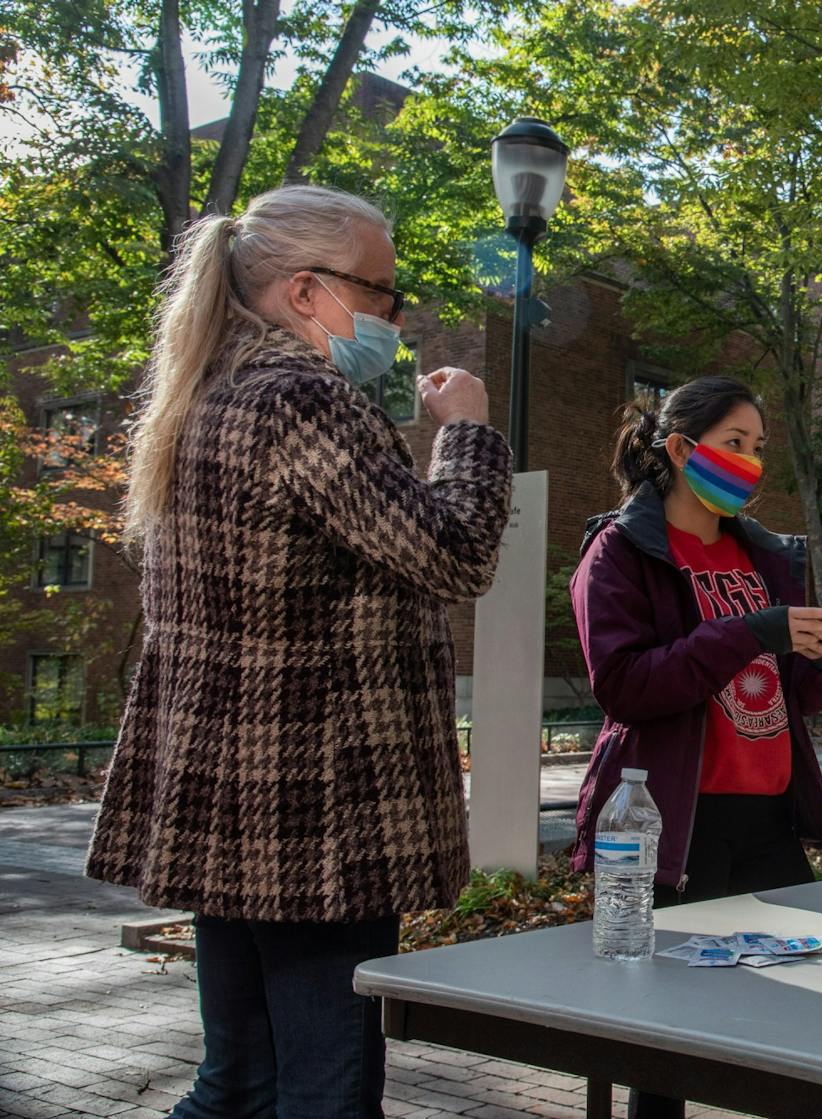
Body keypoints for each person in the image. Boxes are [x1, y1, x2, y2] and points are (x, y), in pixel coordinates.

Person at [87, 184, 513, 1117]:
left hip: (225, 800)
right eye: (382, 293)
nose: (396, 318)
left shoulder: (211, 396)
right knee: (328, 1091)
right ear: (307, 291)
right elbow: (455, 551)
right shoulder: (301, 400)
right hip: (319, 808)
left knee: (235, 1083)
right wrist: (472, 432)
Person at [570, 376, 822, 1119]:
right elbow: (625, 685)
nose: (751, 463)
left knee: (803, 1021)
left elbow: (800, 699)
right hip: (669, 826)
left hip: (768, 822)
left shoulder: (766, 555)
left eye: (758, 448)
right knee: (666, 1048)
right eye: (736, 443)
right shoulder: (619, 551)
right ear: (680, 447)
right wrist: (752, 631)